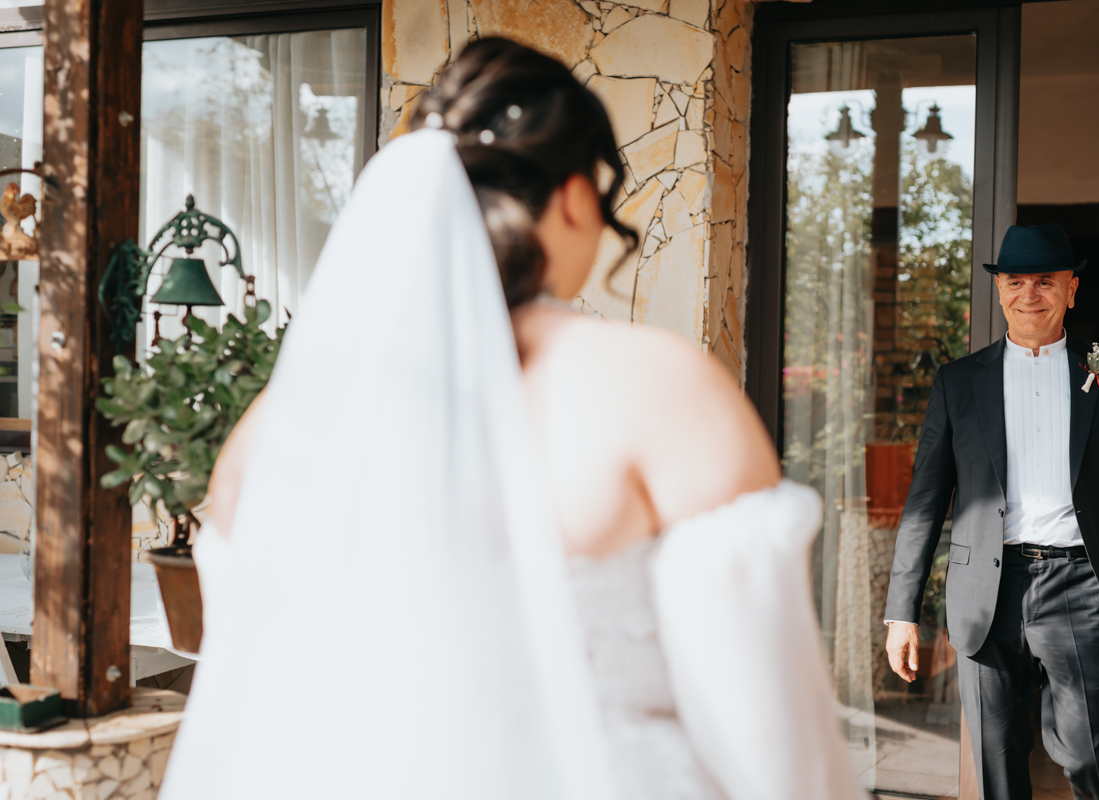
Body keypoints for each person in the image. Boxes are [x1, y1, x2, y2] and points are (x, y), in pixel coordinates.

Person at [160, 38, 863, 800]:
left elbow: (255, 701)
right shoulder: (657, 386)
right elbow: (770, 741)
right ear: (571, 196)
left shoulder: (274, 429)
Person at [883, 223, 1099, 800]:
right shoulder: (958, 381)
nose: (1029, 294)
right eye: (1016, 281)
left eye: (1046, 280)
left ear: (1072, 289)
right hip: (984, 594)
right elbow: (924, 502)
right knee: (998, 769)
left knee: (1095, 755)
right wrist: (902, 611)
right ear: (999, 291)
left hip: (1079, 586)